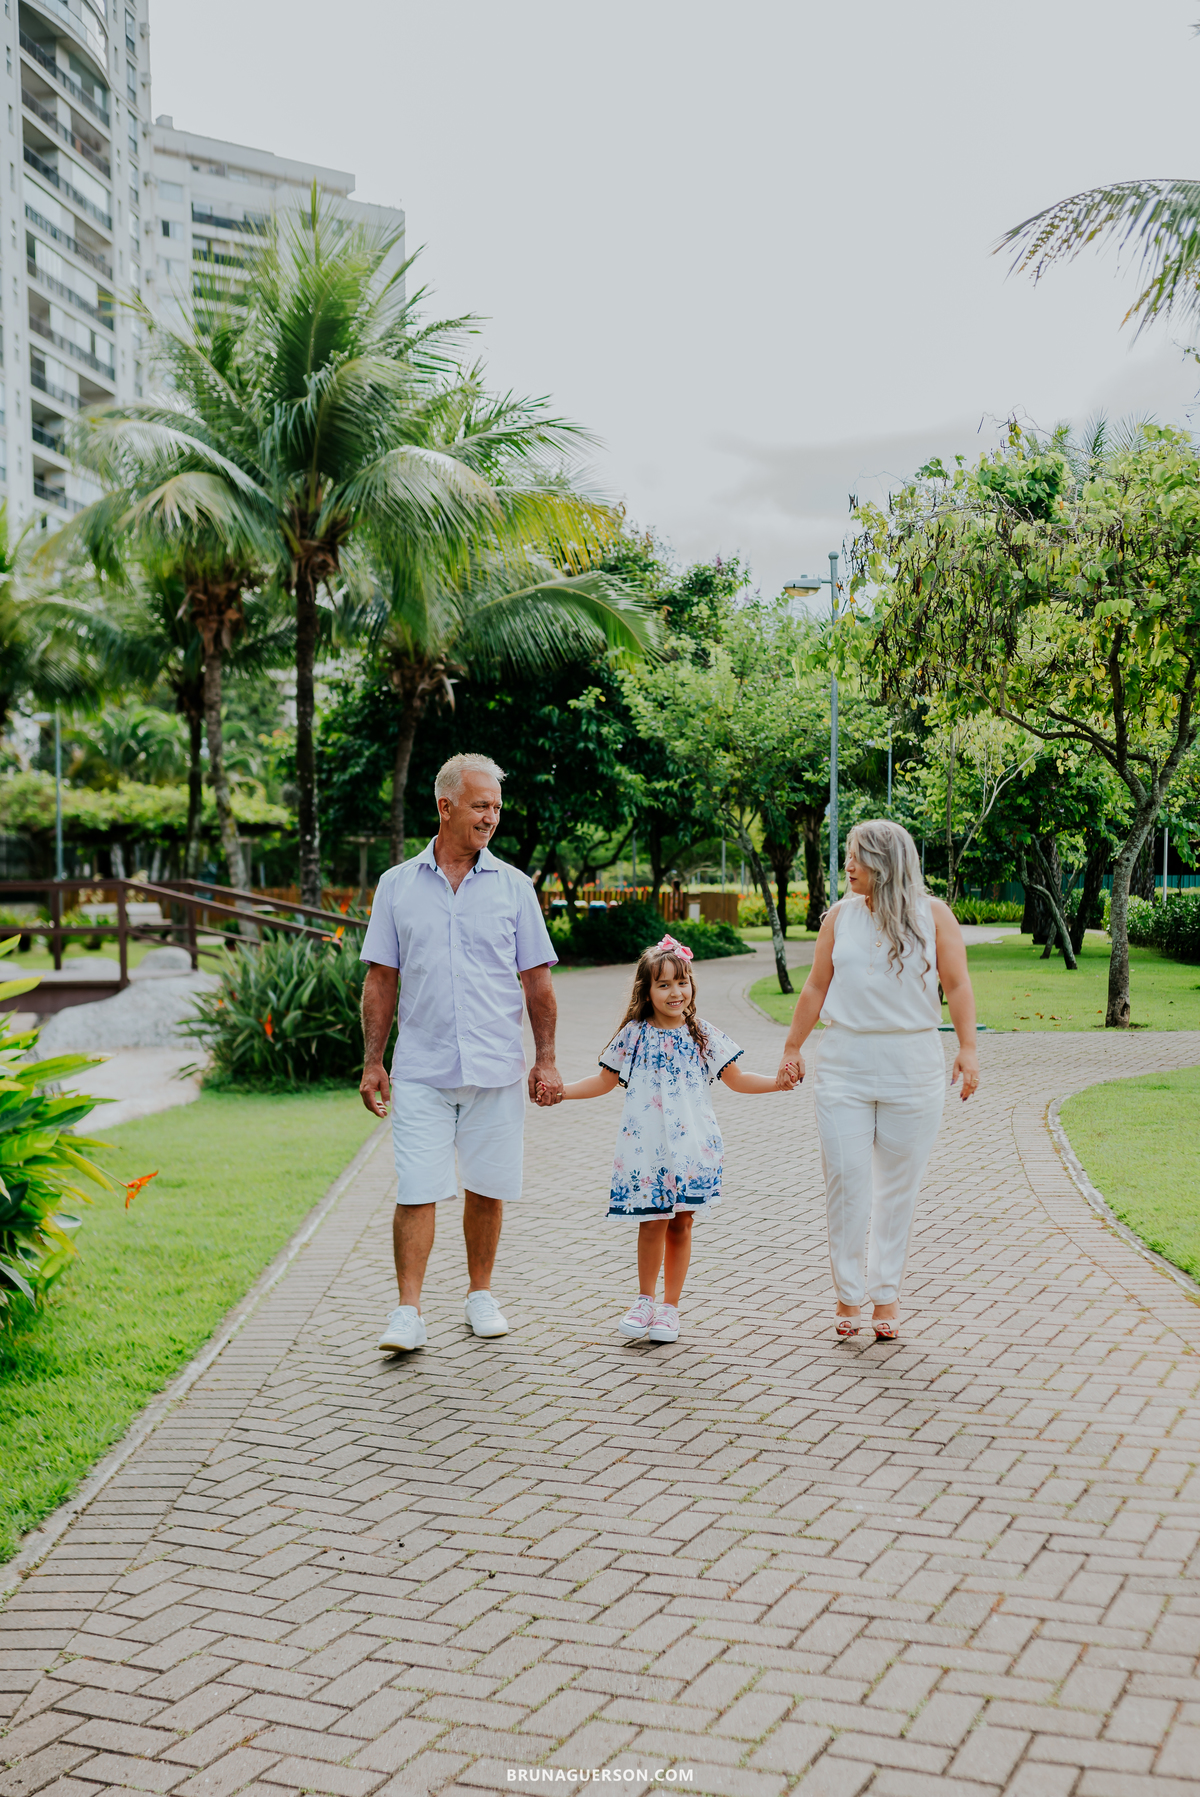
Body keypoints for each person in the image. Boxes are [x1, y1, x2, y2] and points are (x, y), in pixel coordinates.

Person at [359, 752, 563, 1353]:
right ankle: (408, 1312)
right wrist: (374, 1060)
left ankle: (480, 1294)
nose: (491, 818)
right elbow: (380, 979)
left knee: (487, 1185)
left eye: (496, 807)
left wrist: (545, 1057)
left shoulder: (514, 887)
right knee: (416, 1187)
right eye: (480, 806)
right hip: (421, 1068)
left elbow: (538, 981)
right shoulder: (396, 885)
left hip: (496, 1066)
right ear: (444, 806)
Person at [778, 819, 978, 1342]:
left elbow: (956, 985)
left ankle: (885, 1295)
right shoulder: (838, 918)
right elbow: (815, 986)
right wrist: (793, 1046)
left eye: (858, 856)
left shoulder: (933, 915)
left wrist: (969, 1049)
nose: (848, 865)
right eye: (847, 854)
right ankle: (847, 1292)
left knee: (898, 1189)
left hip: (913, 1062)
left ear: (886, 863)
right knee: (846, 1182)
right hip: (844, 1061)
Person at [549, 935, 798, 1344]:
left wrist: (778, 1083)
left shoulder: (703, 1033)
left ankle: (670, 1307)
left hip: (693, 1148)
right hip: (647, 1146)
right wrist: (562, 1092)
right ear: (646, 991)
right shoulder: (633, 1034)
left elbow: (737, 1080)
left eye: (681, 982)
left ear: (691, 986)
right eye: (663, 984)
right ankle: (644, 1299)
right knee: (651, 1221)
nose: (674, 992)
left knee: (681, 1224)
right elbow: (602, 1081)